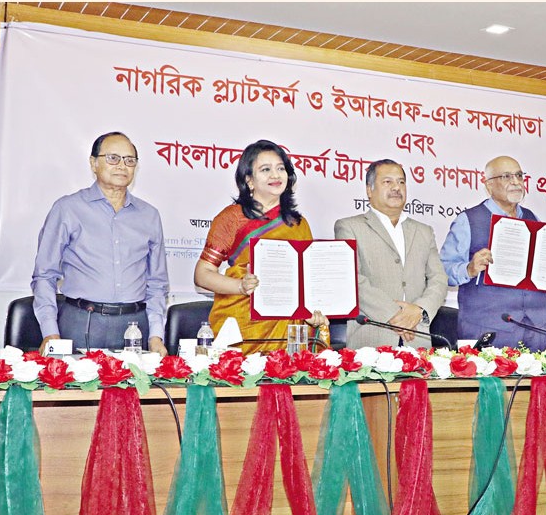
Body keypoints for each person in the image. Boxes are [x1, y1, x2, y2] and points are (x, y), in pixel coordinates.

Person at [32, 131, 169, 356]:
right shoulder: (68, 209)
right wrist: (50, 332)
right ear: (94, 163)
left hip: (134, 328)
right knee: (80, 390)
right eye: (113, 158)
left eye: (130, 160)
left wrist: (155, 335)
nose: (122, 166)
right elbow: (44, 275)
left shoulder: (149, 215)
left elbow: (157, 283)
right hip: (80, 321)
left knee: (136, 391)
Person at [194, 139, 327, 355]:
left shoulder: (298, 224)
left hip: (290, 333)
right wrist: (241, 287)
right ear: (249, 180)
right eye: (265, 170)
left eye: (280, 168)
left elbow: (308, 281)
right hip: (244, 328)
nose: (275, 175)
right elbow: (202, 274)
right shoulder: (232, 218)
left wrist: (314, 313)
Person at [440, 155, 546, 351]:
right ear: (488, 185)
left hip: (535, 328)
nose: (516, 182)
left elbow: (543, 268)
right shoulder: (468, 220)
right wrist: (469, 268)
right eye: (506, 176)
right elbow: (442, 271)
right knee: (491, 383)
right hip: (487, 328)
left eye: (519, 175)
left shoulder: (534, 219)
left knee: (534, 382)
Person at [334, 159, 448, 349]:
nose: (396, 187)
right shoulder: (349, 227)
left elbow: (439, 278)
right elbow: (352, 279)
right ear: (369, 190)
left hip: (417, 338)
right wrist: (396, 316)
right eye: (387, 182)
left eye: (401, 182)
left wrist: (419, 310)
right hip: (371, 339)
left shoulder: (423, 231)